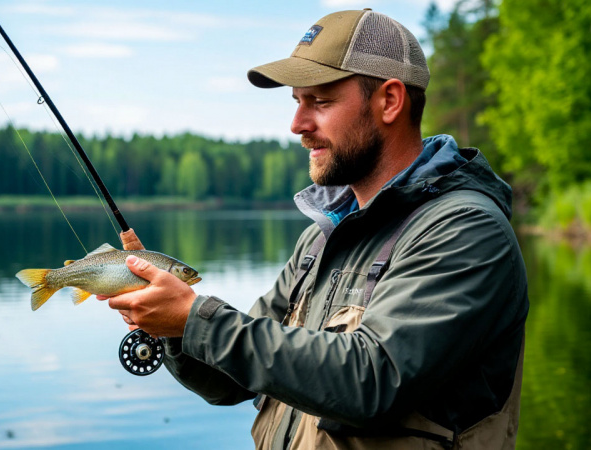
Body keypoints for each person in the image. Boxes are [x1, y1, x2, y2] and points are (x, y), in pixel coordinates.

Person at [98, 9, 529, 450]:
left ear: (390, 101)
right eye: (296, 102)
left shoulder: (465, 230)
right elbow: (231, 381)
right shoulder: (321, 238)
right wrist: (171, 324)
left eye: (319, 102)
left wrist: (195, 317)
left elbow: (373, 380)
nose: (297, 125)